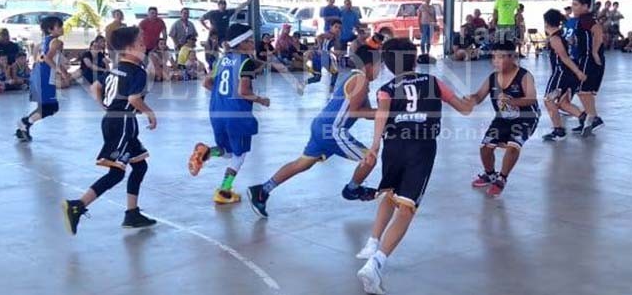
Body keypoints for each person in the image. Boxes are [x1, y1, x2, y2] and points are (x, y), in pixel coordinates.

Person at [355, 38, 474, 295]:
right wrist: (474, 99)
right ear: (415, 57)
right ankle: (375, 264)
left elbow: (381, 117)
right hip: (421, 146)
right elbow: (464, 109)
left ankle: (373, 241)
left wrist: (374, 148)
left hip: (393, 145)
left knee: (388, 192)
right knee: (407, 208)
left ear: (387, 65)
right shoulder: (433, 83)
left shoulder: (386, 88)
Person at [246, 45, 382, 219]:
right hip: (331, 130)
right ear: (370, 65)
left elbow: (367, 113)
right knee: (369, 158)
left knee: (302, 163)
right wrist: (385, 112)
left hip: (321, 126)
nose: (380, 71)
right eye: (379, 66)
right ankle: (352, 190)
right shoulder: (360, 80)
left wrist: (385, 110)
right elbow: (355, 112)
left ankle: (262, 190)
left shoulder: (358, 79)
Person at [62, 26, 158, 234]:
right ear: (130, 48)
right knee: (116, 173)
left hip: (116, 120)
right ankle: (78, 205)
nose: (144, 48)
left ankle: (132, 213)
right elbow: (134, 99)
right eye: (141, 44)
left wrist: (105, 105)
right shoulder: (137, 72)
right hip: (123, 123)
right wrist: (149, 112)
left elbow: (95, 87)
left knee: (140, 166)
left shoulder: (114, 69)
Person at [188, 23, 270, 204]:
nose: (252, 43)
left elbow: (207, 83)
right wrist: (261, 100)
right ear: (241, 43)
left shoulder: (221, 60)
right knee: (239, 156)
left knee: (227, 150)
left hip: (217, 111)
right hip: (237, 115)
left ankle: (206, 153)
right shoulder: (245, 62)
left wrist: (222, 96)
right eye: (249, 40)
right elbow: (243, 91)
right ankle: (224, 190)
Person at [469, 40, 540, 197]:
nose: (496, 61)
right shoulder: (493, 78)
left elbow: (531, 99)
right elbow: (479, 96)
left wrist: (512, 101)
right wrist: (469, 99)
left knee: (513, 146)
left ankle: (502, 178)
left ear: (513, 57)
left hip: (525, 117)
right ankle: (490, 174)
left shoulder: (524, 76)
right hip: (502, 118)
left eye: (501, 57)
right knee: (485, 148)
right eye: (494, 57)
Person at [540, 9, 587, 142]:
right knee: (563, 103)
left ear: (546, 23)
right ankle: (586, 119)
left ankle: (558, 131)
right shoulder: (561, 35)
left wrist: (578, 72)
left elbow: (565, 58)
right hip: (567, 74)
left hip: (561, 74)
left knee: (549, 101)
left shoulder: (555, 38)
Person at [16, 16, 64, 142]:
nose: (62, 29)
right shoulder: (57, 42)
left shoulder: (41, 42)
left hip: (38, 74)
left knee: (45, 107)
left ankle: (24, 127)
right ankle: (25, 122)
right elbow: (48, 58)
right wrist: (59, 70)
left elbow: (38, 58)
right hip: (45, 76)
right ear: (50, 29)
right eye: (59, 27)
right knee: (51, 107)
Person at [570, 0, 605, 137]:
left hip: (588, 59)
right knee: (584, 90)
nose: (573, 7)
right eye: (573, 4)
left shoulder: (587, 19)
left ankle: (594, 118)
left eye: (576, 5)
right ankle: (590, 120)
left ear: (585, 6)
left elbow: (598, 32)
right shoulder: (581, 20)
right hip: (584, 57)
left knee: (582, 89)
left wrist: (595, 52)